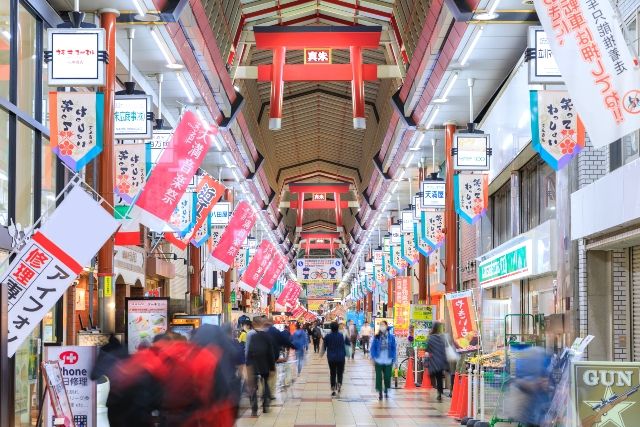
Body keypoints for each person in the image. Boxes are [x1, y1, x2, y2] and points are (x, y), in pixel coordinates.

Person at [245, 316, 275, 416]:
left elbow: (248, 350)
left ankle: (254, 409)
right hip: (264, 365)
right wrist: (272, 368)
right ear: (262, 324)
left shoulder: (251, 335)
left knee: (253, 387)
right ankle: (265, 405)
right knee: (265, 384)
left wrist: (247, 364)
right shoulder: (267, 336)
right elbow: (270, 353)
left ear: (254, 324)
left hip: (253, 365)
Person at [320, 321, 350, 396]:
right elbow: (347, 344)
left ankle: (333, 387)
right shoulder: (342, 335)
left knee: (332, 373)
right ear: (337, 328)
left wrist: (321, 355)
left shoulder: (327, 336)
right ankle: (339, 383)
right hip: (341, 357)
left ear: (331, 328)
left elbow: (324, 347)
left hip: (331, 358)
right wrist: (348, 354)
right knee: (340, 372)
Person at [370, 320, 397, 400]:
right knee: (378, 377)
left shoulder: (391, 337)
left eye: (383, 325)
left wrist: (394, 358)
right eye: (380, 325)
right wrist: (373, 357)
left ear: (386, 326)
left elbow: (394, 348)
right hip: (378, 359)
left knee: (387, 376)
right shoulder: (376, 336)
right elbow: (373, 347)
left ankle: (386, 390)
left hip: (388, 359)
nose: (382, 326)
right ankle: (380, 392)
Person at [426, 321, 448, 401]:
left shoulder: (430, 338)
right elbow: (444, 350)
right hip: (440, 361)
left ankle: (437, 389)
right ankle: (439, 392)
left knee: (434, 376)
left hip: (433, 361)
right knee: (439, 378)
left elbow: (428, 349)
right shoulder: (442, 338)